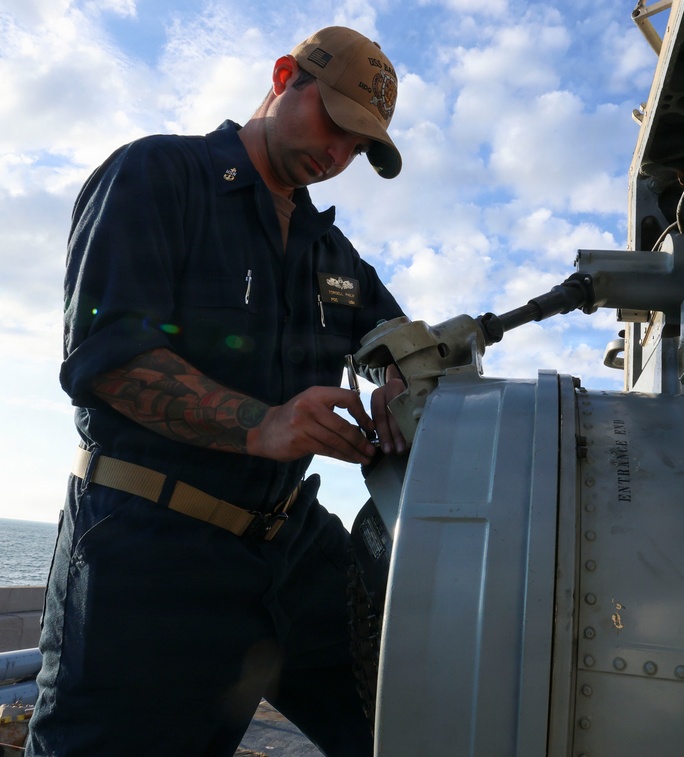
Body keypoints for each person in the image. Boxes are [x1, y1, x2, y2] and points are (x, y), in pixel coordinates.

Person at [27, 26, 408, 756]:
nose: (337, 155)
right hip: (151, 554)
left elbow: (398, 335)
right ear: (285, 74)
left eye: (359, 147)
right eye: (335, 123)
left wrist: (396, 377)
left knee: (415, 714)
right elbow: (107, 359)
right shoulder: (158, 173)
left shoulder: (332, 253)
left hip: (294, 547)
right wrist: (263, 425)